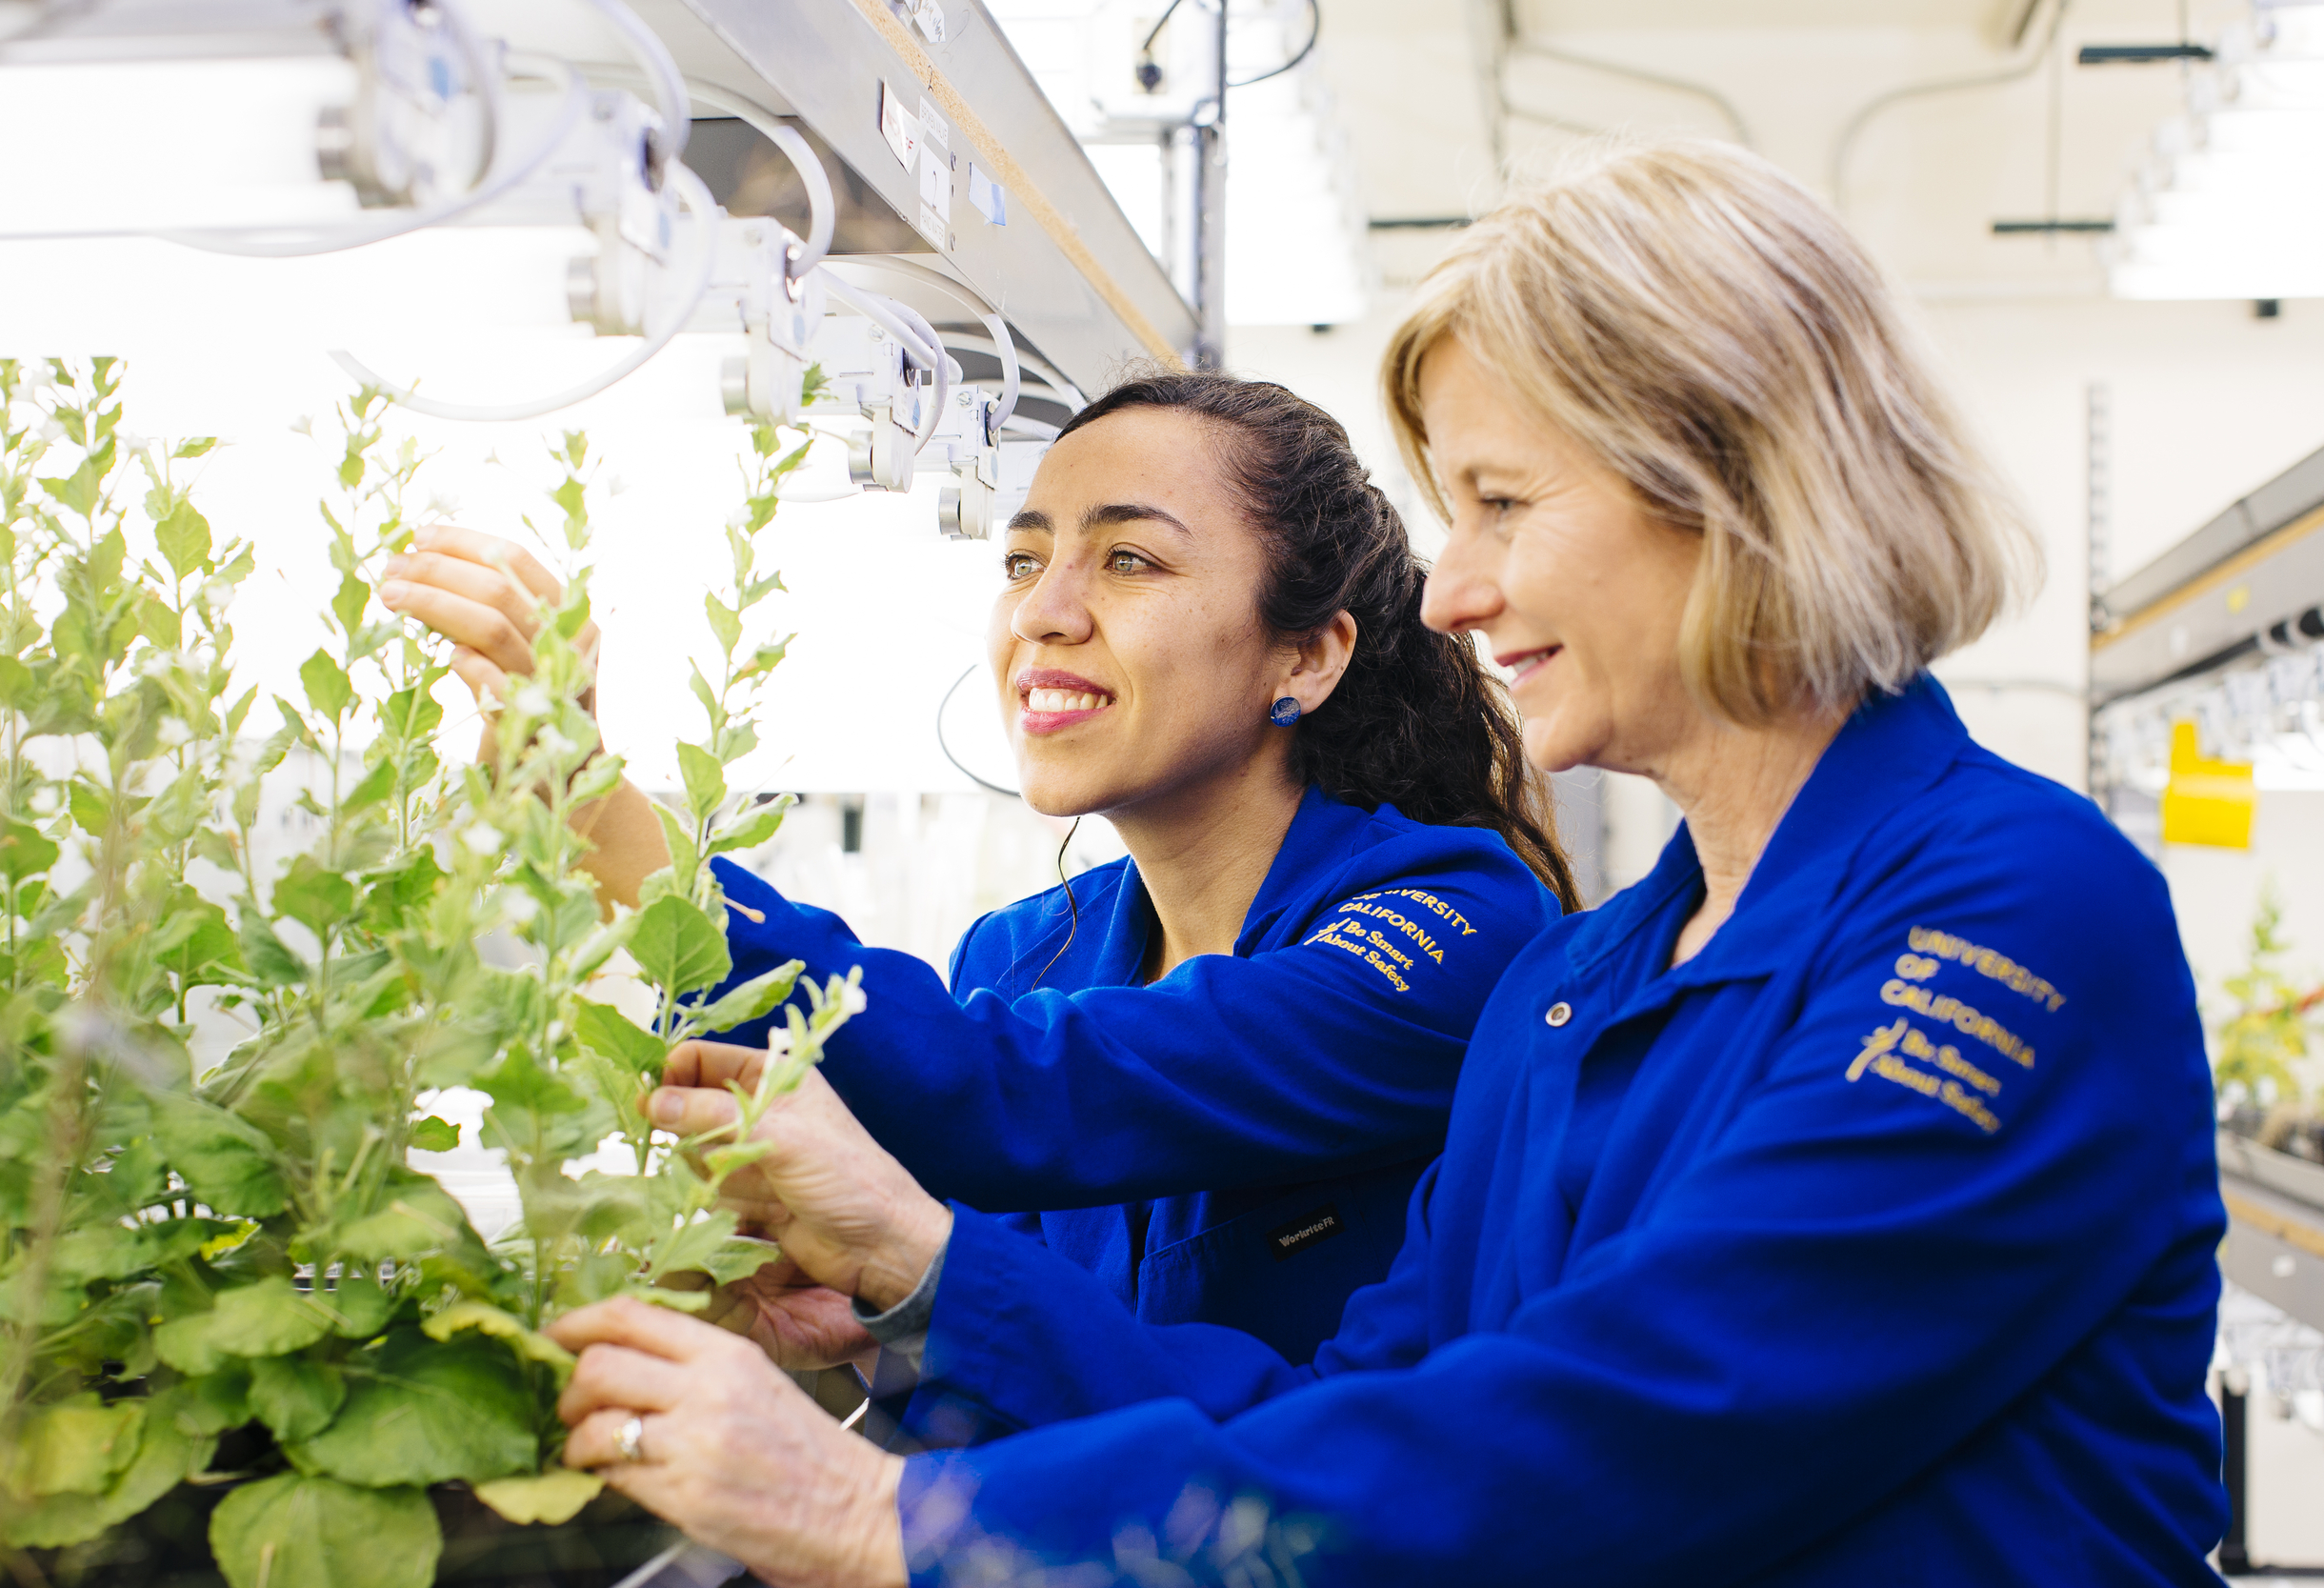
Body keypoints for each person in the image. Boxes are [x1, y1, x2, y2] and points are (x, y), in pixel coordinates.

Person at [540, 139, 2230, 1587]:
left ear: (1730, 487)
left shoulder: (2014, 906)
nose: (1461, 590)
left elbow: (1632, 1426)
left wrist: (895, 1517)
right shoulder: (1578, 989)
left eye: (1502, 503)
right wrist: (922, 1282)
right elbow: (1340, 1414)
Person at [377, 373, 1576, 1367]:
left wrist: (602, 815)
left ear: (1306, 654)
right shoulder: (1019, 952)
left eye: (1129, 563)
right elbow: (1002, 1331)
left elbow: (1014, 1096)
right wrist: (872, 1325)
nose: (1042, 612)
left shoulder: (1456, 927)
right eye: (1021, 562)